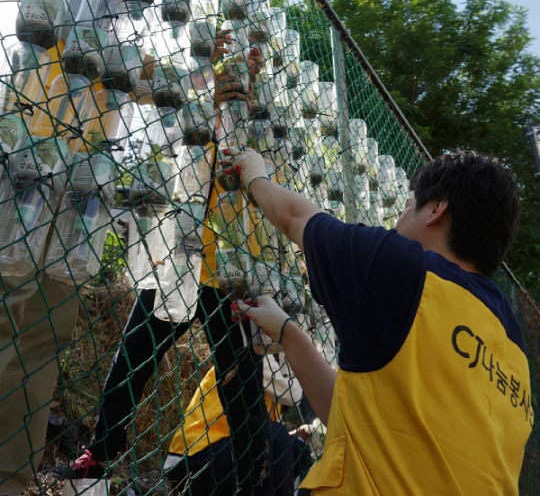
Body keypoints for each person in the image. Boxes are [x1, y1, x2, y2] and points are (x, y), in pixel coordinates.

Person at [224, 148, 534, 495]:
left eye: (408, 203)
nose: (399, 214)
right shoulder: (512, 345)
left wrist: (255, 175)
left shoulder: (404, 269)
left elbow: (295, 217)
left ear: (435, 209)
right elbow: (359, 423)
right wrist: (288, 334)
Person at [51, 43, 274, 496]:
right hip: (182, 259)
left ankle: (254, 481)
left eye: (247, 73)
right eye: (232, 72)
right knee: (133, 357)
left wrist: (249, 107)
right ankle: (100, 455)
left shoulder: (261, 129)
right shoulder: (195, 118)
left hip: (230, 268)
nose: (237, 80)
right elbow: (161, 110)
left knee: (240, 382)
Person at [164, 354, 313, 495]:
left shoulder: (275, 378)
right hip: (191, 460)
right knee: (276, 434)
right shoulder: (253, 354)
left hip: (225, 452)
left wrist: (294, 436)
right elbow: (293, 394)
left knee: (298, 448)